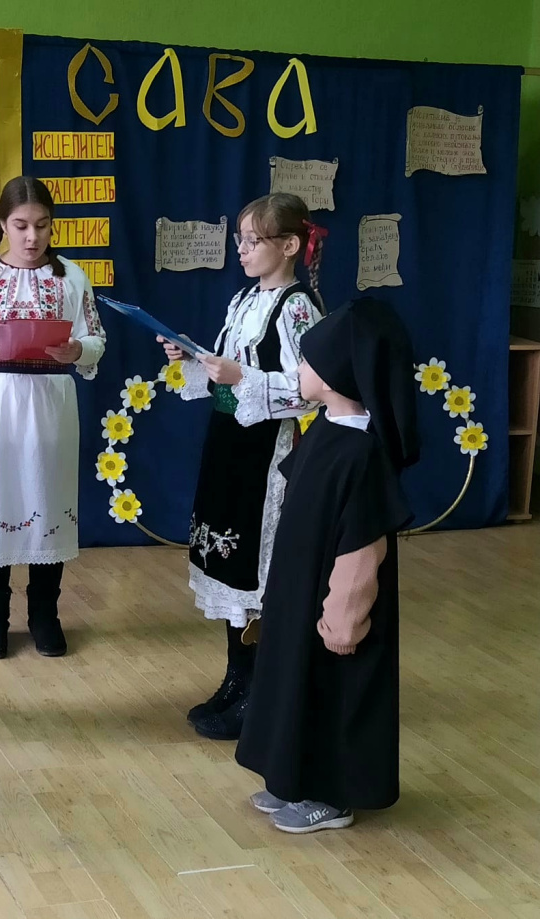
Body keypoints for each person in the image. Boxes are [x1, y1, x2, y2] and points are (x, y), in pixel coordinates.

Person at [236, 297, 419, 833]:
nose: (298, 368)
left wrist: (343, 621)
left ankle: (332, 797)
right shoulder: (324, 432)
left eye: (306, 360)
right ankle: (290, 777)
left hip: (334, 614)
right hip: (299, 597)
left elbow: (361, 551)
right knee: (294, 685)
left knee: (332, 695)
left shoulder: (361, 455)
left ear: (336, 374)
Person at [160, 193, 325, 740]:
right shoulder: (243, 299)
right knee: (228, 564)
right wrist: (193, 359)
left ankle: (262, 693)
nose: (243, 250)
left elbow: (311, 389)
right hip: (228, 442)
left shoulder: (298, 307)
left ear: (290, 245)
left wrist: (242, 378)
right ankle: (237, 678)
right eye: (240, 240)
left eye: (253, 240)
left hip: (267, 450)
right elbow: (226, 369)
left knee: (259, 568)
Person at [0, 176, 106, 659]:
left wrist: (78, 349)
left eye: (42, 225)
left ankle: (44, 614)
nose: (32, 236)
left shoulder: (71, 277)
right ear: (2, 224)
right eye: (21, 225)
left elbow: (95, 337)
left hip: (51, 399)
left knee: (47, 497)